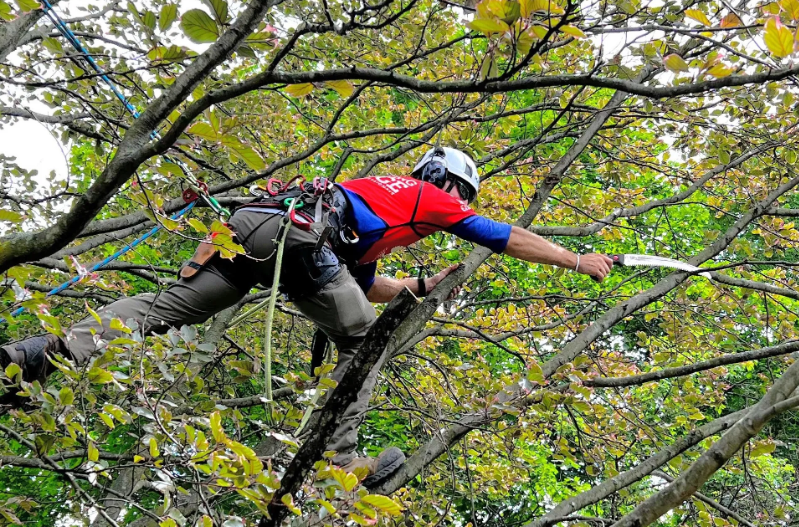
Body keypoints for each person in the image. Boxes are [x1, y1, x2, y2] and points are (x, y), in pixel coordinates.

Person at [0, 147, 613, 487]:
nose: (457, 209)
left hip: (256, 230)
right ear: (444, 183)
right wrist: (574, 258)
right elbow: (500, 235)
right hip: (301, 244)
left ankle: (30, 359)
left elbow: (364, 285)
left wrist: (422, 285)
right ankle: (338, 457)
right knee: (365, 344)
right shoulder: (428, 198)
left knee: (160, 313)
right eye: (459, 196)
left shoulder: (376, 202)